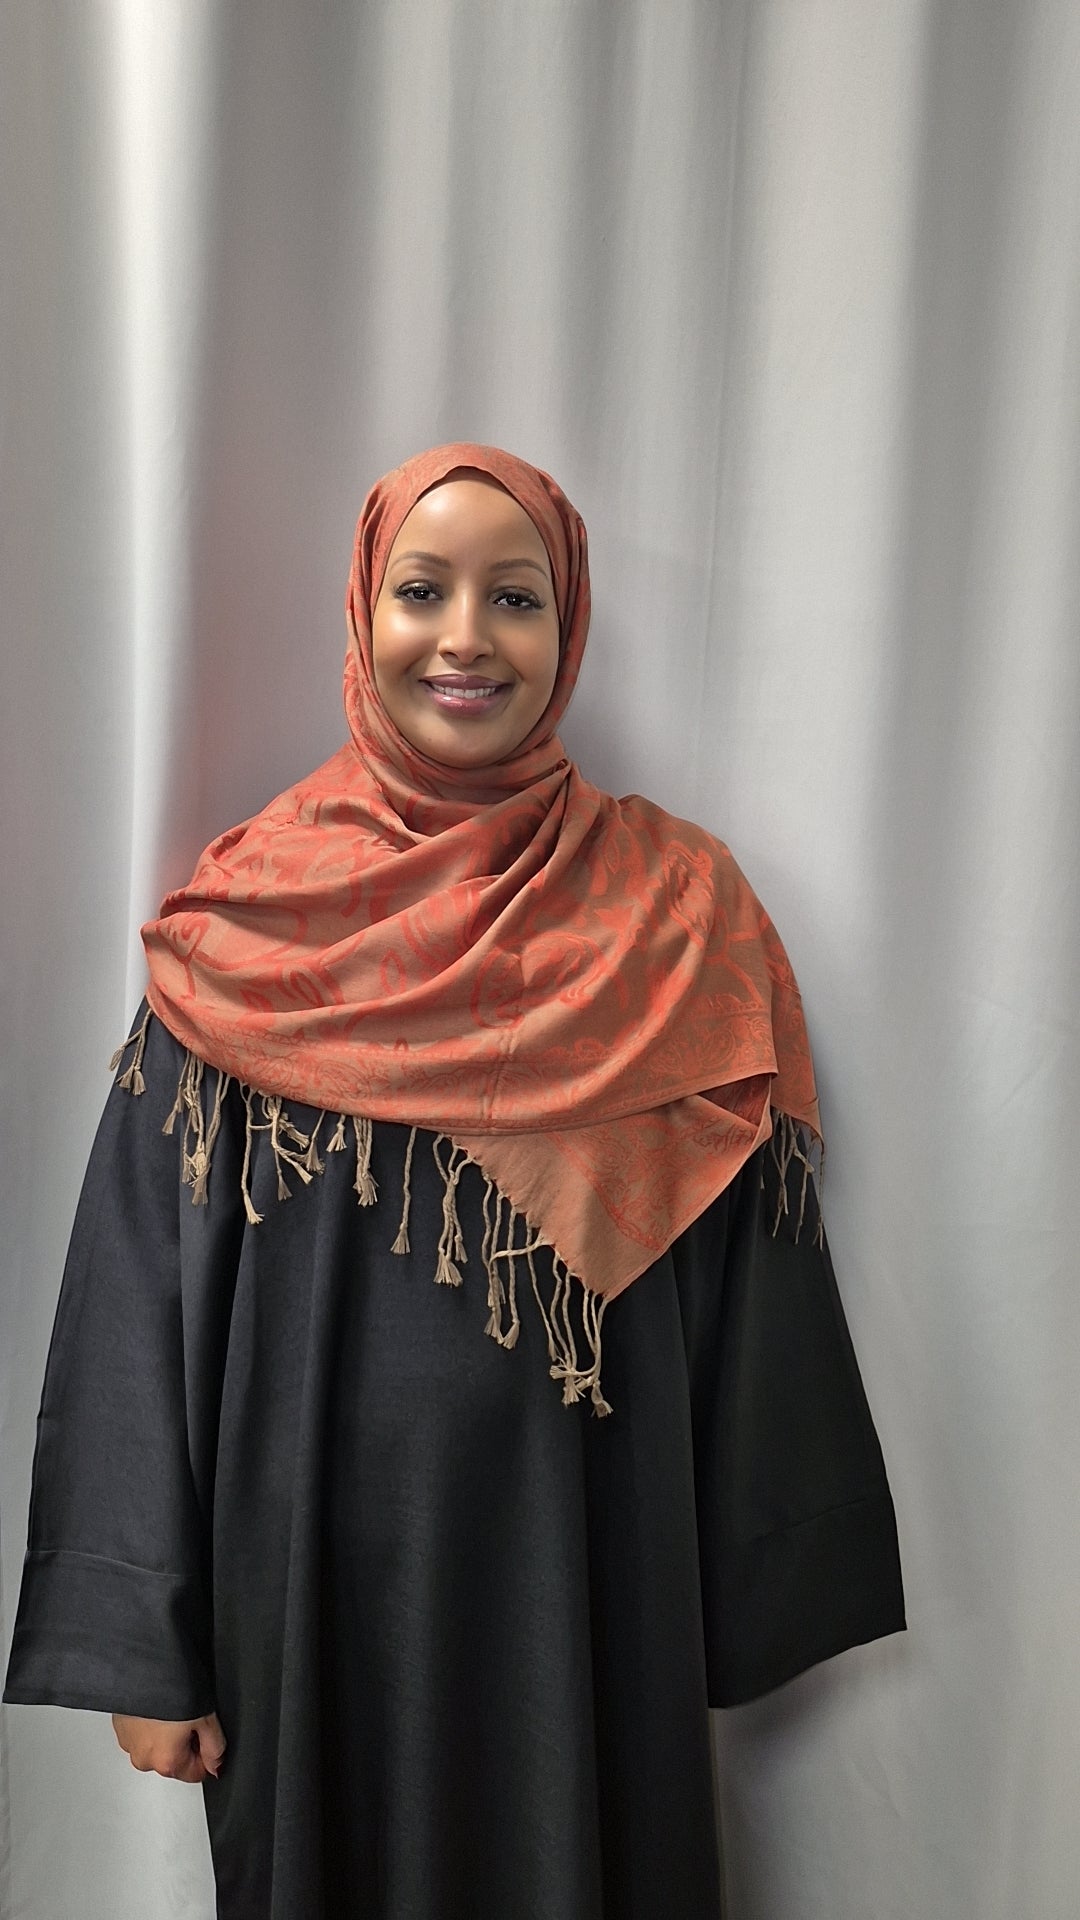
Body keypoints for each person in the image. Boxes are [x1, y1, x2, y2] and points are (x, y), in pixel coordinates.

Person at [4, 444, 905, 1919]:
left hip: (595, 1568)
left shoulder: (677, 919)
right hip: (303, 1589)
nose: (467, 636)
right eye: (422, 590)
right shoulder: (246, 924)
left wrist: (758, 1574)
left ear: (571, 631)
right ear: (363, 616)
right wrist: (141, 1641)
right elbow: (133, 1290)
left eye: (518, 596)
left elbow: (753, 1270)